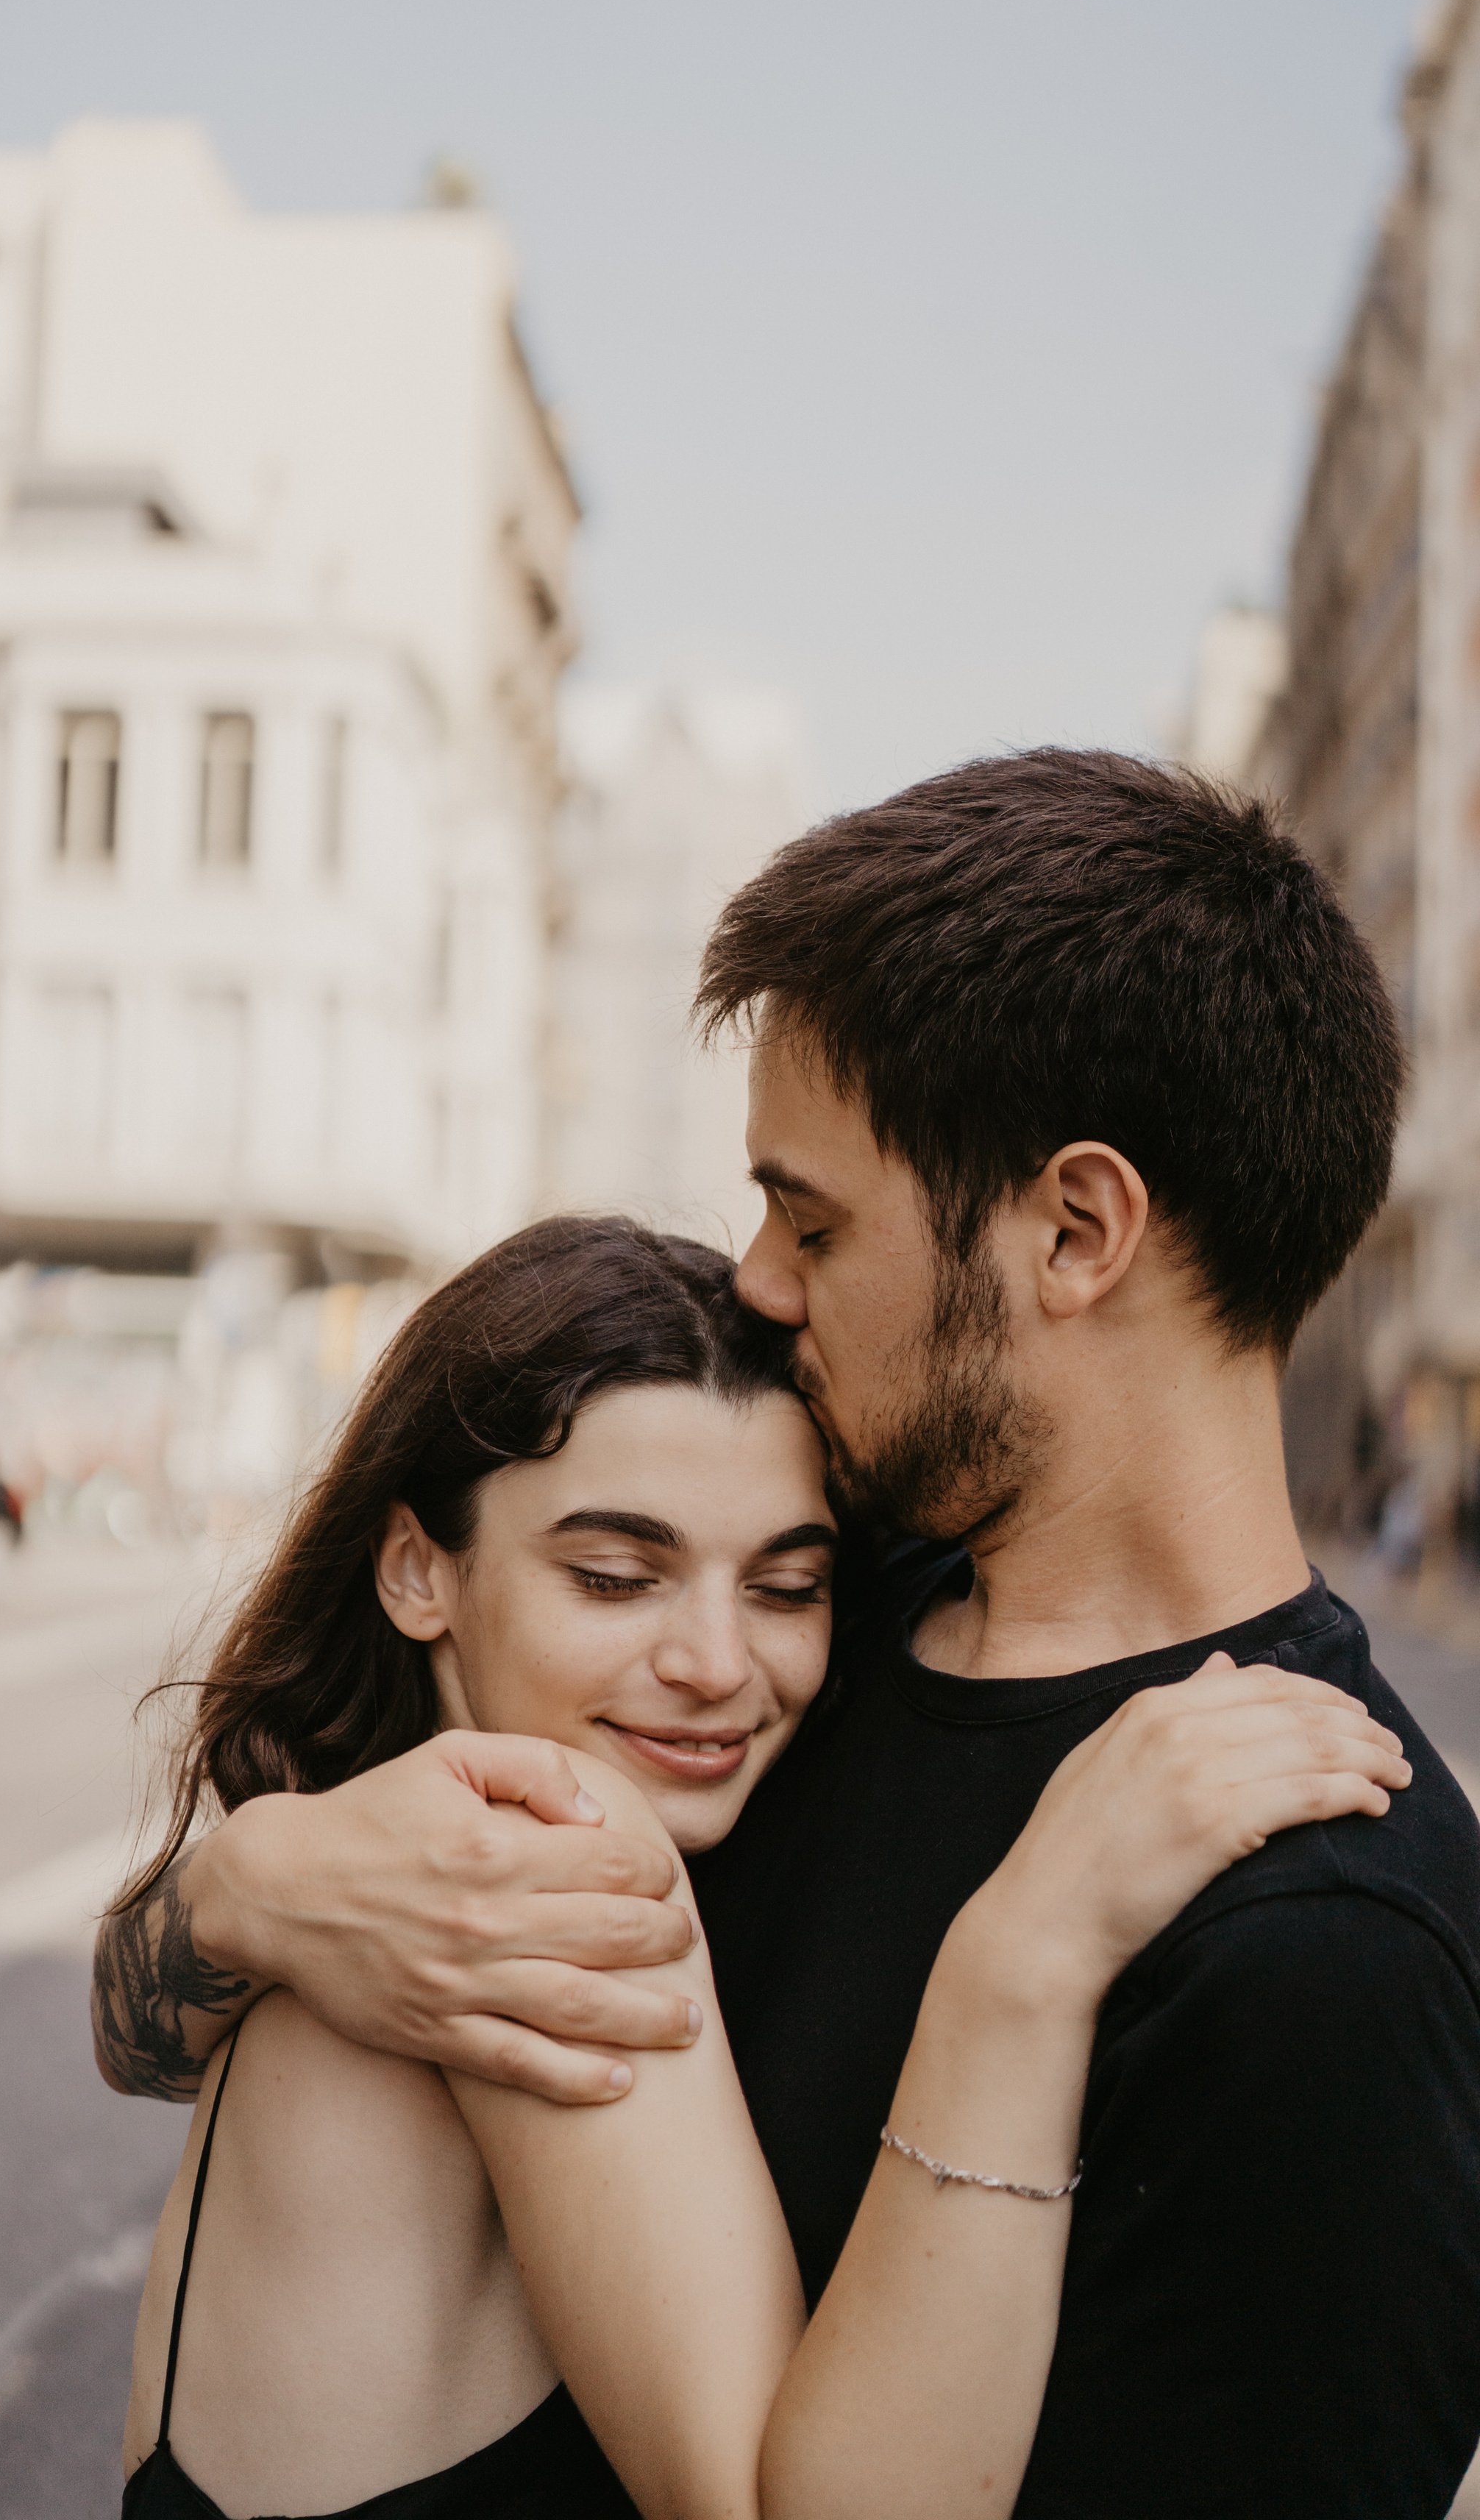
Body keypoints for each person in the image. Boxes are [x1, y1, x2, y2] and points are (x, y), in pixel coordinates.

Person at [96, 751, 1480, 2518]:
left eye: (811, 1217)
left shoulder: (1322, 1941)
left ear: (1075, 1229)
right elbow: (155, 2020)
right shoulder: (793, 1631)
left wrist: (1017, 1966)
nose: (753, 1276)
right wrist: (248, 1890)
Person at [114, 1213, 1405, 2520]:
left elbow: (133, 2041)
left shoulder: (370, 1837)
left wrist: (232, 1885)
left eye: (788, 1589)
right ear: (416, 1569)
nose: (718, 1666)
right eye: (618, 1577)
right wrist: (1030, 1950)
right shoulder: (554, 1868)